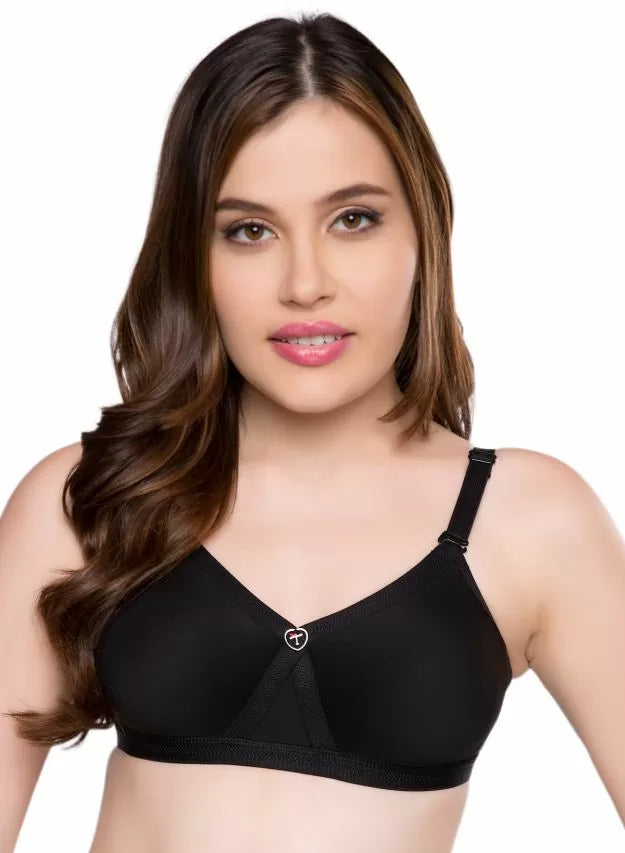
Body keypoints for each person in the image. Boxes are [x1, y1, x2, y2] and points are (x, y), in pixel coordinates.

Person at [1, 11, 624, 853]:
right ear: (193, 257)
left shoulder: (529, 518)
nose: (304, 283)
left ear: (423, 231)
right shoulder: (86, 500)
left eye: (353, 218)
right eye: (248, 230)